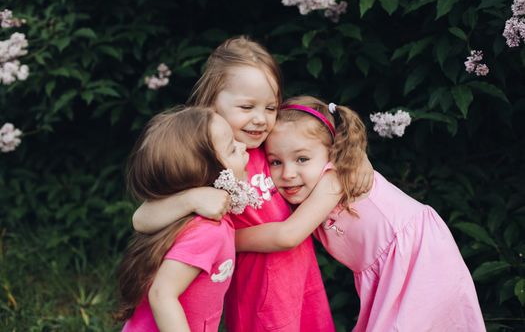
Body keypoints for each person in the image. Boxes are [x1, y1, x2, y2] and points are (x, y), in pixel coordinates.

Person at [132, 36, 374, 331]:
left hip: (301, 280)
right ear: (212, 103)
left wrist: (357, 158)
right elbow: (142, 218)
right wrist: (192, 199)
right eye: (247, 107)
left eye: (270, 108)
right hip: (258, 295)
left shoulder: (274, 148)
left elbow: (321, 141)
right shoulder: (213, 162)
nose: (260, 119)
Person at [236, 96, 486, 332]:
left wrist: (231, 239)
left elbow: (287, 235)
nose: (287, 173)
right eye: (275, 162)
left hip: (418, 258)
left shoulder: (334, 178)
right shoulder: (304, 188)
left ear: (333, 154)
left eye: (301, 159)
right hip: (394, 265)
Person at [115, 107, 249, 331]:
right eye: (233, 149)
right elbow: (161, 294)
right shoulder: (207, 231)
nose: (244, 146)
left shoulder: (185, 216)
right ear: (209, 174)